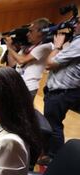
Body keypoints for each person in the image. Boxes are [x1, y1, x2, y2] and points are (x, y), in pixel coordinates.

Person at [41, 19, 80, 164]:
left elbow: (50, 63)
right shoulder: (75, 41)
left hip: (64, 92)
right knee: (51, 124)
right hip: (57, 91)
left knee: (54, 126)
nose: (75, 25)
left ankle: (54, 159)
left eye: (79, 22)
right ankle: (48, 154)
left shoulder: (79, 43)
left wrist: (57, 46)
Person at [5, 18, 53, 100]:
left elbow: (21, 60)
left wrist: (9, 48)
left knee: (23, 112)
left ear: (41, 32)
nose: (27, 34)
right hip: (17, 84)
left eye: (31, 31)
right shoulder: (28, 46)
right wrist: (11, 47)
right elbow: (12, 64)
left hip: (29, 87)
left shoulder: (46, 46)